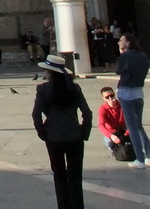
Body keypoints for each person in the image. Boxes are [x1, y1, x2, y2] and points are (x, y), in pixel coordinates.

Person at [31, 55, 91, 209]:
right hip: (74, 136)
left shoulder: (43, 89)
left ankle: (63, 206)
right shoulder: (74, 88)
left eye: (46, 71)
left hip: (53, 137)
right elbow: (87, 112)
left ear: (50, 73)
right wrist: (84, 132)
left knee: (59, 175)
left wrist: (42, 133)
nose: (44, 73)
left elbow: (36, 114)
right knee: (75, 175)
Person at [116, 33, 150, 167]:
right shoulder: (143, 55)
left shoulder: (125, 56)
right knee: (138, 124)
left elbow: (118, 71)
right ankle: (149, 156)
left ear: (128, 43)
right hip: (139, 91)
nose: (119, 42)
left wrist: (122, 54)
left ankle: (140, 158)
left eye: (121, 40)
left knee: (132, 126)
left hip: (126, 91)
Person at [97, 86, 128, 151]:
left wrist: (128, 132)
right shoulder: (103, 109)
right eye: (107, 97)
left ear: (114, 94)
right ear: (104, 98)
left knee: (138, 141)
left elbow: (132, 119)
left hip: (123, 129)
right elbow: (101, 125)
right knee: (113, 146)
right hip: (112, 132)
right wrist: (111, 135)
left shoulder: (122, 104)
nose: (110, 99)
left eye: (112, 95)